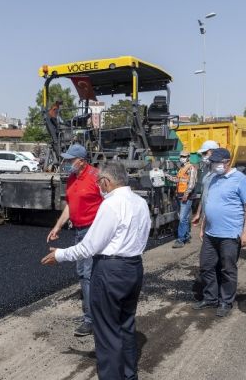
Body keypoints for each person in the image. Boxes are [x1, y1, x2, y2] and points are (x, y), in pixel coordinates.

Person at [41, 162, 151, 380]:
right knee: (126, 325)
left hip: (110, 271)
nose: (99, 186)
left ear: (106, 182)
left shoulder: (110, 205)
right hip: (134, 268)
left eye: (100, 182)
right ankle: (130, 375)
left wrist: (60, 254)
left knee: (107, 332)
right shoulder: (140, 202)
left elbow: (89, 247)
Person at [47, 143, 102, 337]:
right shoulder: (72, 178)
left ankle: (91, 320)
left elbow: (109, 204)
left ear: (82, 161)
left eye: (71, 160)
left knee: (87, 274)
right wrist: (57, 226)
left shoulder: (96, 177)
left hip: (92, 231)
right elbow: (71, 205)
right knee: (84, 272)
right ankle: (93, 313)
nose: (67, 163)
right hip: (78, 230)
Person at [192, 148, 246, 317]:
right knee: (206, 266)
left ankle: (226, 301)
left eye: (216, 162)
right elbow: (209, 203)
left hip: (230, 234)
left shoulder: (240, 180)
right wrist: (204, 225)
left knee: (228, 269)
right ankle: (210, 298)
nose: (213, 165)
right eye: (212, 162)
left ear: (227, 162)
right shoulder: (213, 178)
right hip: (211, 233)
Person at [166, 150, 197, 248]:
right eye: (181, 156)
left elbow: (191, 184)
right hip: (180, 196)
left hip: (186, 197)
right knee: (185, 217)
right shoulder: (182, 169)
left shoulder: (191, 168)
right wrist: (167, 176)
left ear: (188, 157)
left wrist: (186, 194)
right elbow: (177, 180)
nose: (182, 158)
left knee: (182, 218)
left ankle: (180, 240)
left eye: (184, 156)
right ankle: (186, 236)